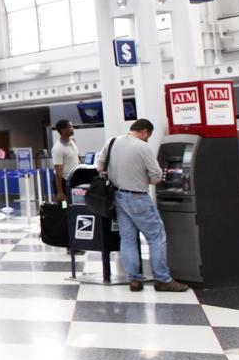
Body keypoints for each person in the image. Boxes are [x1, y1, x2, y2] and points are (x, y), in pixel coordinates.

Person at [96, 119, 190, 293]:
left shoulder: (112, 142)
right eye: (149, 136)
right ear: (146, 132)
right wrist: (141, 178)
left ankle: (134, 280)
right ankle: (163, 279)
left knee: (128, 238)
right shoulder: (143, 147)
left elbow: (100, 167)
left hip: (117, 197)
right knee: (156, 236)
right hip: (137, 198)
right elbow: (156, 177)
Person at [52, 119, 81, 204]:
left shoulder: (72, 141)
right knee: (64, 206)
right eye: (70, 127)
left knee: (74, 206)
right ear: (63, 130)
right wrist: (60, 192)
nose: (73, 128)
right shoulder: (58, 148)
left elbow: (77, 156)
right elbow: (58, 172)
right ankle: (63, 215)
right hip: (64, 182)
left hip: (74, 180)